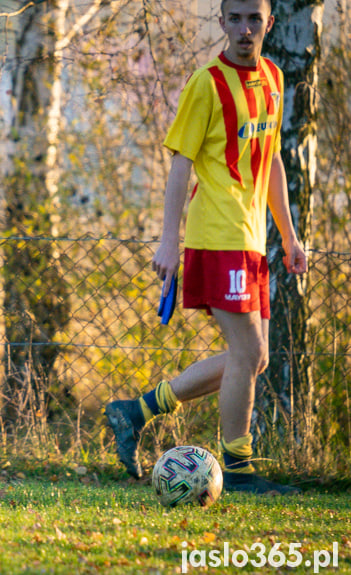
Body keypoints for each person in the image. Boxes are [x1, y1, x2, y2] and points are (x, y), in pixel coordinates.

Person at [105, 0, 307, 495]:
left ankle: (137, 411)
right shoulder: (206, 84)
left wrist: (289, 233)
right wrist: (169, 241)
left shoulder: (274, 79)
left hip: (252, 238)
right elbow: (181, 165)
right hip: (216, 235)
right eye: (234, 19)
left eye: (253, 19)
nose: (244, 30)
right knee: (250, 350)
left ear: (269, 24)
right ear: (221, 23)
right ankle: (238, 470)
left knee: (252, 359)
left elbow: (272, 156)